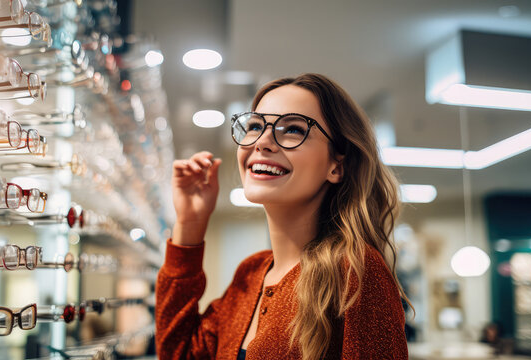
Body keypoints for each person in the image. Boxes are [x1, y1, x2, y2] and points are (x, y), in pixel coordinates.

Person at [155, 73, 411, 359]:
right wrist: (190, 224)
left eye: (293, 129)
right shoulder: (250, 273)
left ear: (337, 166)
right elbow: (178, 353)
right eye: (254, 125)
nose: (262, 141)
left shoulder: (354, 270)